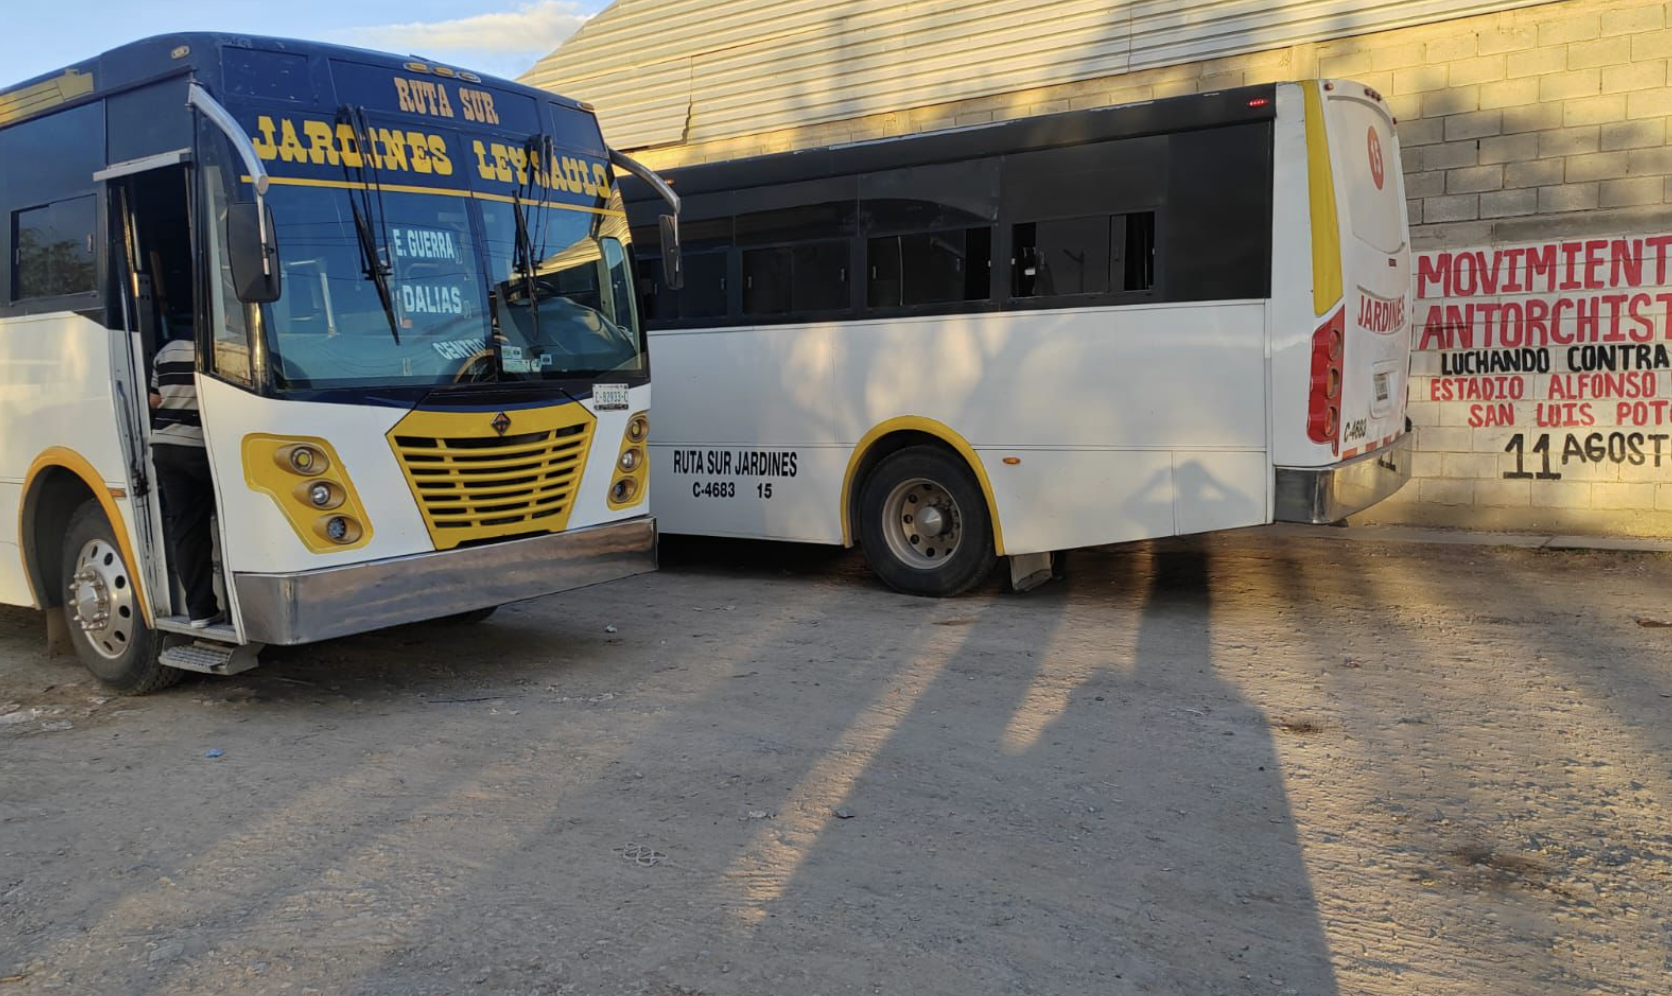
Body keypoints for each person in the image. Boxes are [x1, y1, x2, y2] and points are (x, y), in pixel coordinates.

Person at [149, 332, 222, 627]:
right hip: (198, 447)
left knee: (187, 529)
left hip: (164, 446)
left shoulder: (166, 351)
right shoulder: (219, 350)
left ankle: (200, 611)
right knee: (231, 521)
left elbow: (155, 400)